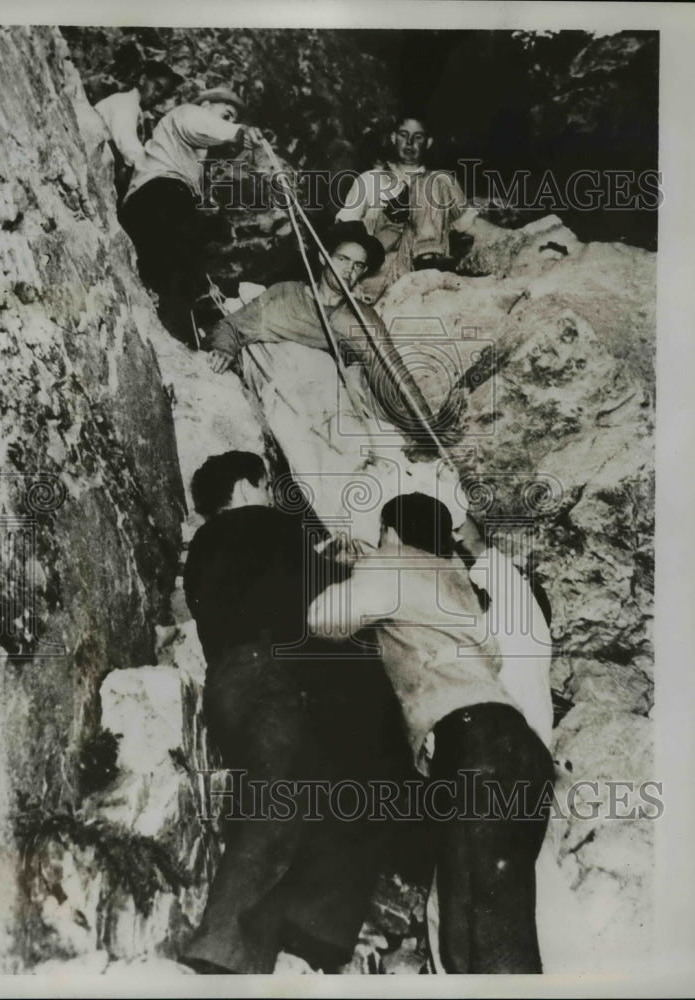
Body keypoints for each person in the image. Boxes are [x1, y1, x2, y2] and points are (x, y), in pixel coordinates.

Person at [181, 451, 412, 974]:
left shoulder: (200, 552)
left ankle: (283, 941)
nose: (268, 495)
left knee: (291, 792)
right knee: (293, 798)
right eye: (264, 485)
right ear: (244, 488)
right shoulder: (266, 524)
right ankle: (231, 953)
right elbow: (322, 600)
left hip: (229, 684)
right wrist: (349, 564)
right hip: (276, 676)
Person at [307, 493, 555, 973]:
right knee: (474, 931)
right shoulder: (454, 578)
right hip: (510, 749)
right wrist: (367, 558)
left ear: (393, 534)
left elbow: (324, 617)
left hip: (474, 749)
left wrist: (352, 566)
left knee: (485, 936)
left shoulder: (391, 561)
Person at [202, 220, 468, 549]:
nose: (349, 270)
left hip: (334, 394)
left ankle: (431, 526)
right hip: (289, 397)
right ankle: (364, 542)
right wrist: (223, 350)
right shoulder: (285, 298)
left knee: (379, 453)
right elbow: (231, 328)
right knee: (319, 470)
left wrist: (426, 428)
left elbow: (391, 374)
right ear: (323, 258)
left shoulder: (358, 316)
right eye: (342, 259)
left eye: (358, 265)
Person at [119, 87, 264, 342]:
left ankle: (175, 322)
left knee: (182, 260)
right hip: (158, 197)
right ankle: (179, 328)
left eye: (231, 118)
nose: (226, 120)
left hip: (151, 206)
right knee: (184, 252)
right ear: (207, 104)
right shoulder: (188, 114)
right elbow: (200, 125)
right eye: (226, 113)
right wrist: (237, 131)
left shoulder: (190, 152)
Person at [336, 114, 478, 302]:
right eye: (404, 135)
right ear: (394, 138)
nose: (410, 142)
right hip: (381, 263)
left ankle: (427, 254)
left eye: (418, 137)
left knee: (431, 182)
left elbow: (468, 229)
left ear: (428, 142)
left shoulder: (443, 183)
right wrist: (388, 218)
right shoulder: (369, 180)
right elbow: (344, 232)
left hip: (429, 268)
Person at [94, 59, 183, 205]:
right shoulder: (125, 103)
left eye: (163, 93)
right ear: (142, 80)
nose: (157, 95)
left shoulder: (139, 112)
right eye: (157, 87)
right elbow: (129, 148)